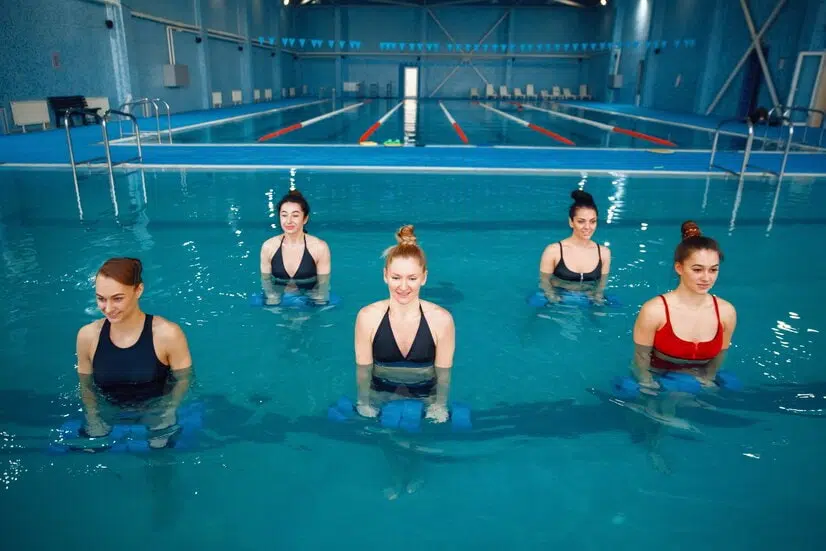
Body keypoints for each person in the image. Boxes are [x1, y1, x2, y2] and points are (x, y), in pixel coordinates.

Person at [75, 257, 193, 449]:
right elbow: (85, 384)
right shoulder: (87, 336)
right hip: (109, 409)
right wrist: (92, 415)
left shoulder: (168, 334)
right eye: (101, 299)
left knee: (159, 449)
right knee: (89, 448)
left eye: (118, 298)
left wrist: (168, 410)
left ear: (138, 290)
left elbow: (184, 380)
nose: (108, 308)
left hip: (155, 409)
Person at [354, 225, 456, 423]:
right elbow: (363, 371)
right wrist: (364, 402)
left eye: (412, 278)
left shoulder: (442, 321)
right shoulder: (367, 318)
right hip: (380, 397)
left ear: (424, 278)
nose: (403, 287)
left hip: (425, 398)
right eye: (396, 278)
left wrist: (439, 405)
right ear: (385, 276)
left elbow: (443, 374)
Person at [631, 221, 737, 390]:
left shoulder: (726, 312)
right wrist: (647, 384)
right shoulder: (654, 311)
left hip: (700, 378)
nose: (706, 278)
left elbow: (719, 356)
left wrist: (709, 379)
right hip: (660, 376)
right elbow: (640, 358)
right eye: (697, 270)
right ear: (679, 268)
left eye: (713, 270)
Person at [539, 189, 612, 304]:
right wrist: (553, 298)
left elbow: (602, 284)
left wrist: (597, 299)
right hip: (560, 296)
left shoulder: (604, 252)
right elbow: (544, 282)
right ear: (571, 222)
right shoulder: (553, 251)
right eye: (581, 221)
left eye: (593, 221)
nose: (588, 227)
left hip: (588, 298)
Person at [259, 189, 331, 305]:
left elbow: (323, 285)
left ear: (305, 218)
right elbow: (266, 280)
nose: (288, 221)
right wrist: (272, 297)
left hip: (308, 297)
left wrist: (316, 302)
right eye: (284, 215)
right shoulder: (268, 246)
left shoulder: (319, 247)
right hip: (279, 297)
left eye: (295, 215)